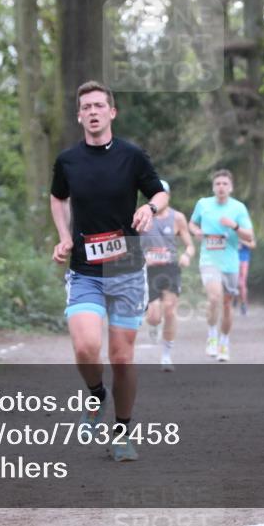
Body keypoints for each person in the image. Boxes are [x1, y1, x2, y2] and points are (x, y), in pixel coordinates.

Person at [50, 81, 167, 462]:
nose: (94, 111)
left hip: (127, 265)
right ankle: (97, 395)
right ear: (79, 115)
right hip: (85, 267)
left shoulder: (132, 156)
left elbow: (160, 193)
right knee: (85, 347)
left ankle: (121, 432)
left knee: (122, 357)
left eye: (100, 105)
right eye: (87, 106)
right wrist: (64, 236)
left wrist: (150, 208)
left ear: (112, 112)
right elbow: (57, 196)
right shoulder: (68, 161)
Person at [189, 169, 254, 362]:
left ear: (231, 187)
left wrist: (234, 226)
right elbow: (192, 224)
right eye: (218, 184)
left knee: (226, 305)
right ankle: (211, 334)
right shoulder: (203, 204)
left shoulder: (238, 208)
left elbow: (249, 236)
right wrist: (197, 231)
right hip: (209, 261)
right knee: (214, 297)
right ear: (213, 187)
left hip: (231, 263)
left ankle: (224, 342)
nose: (221, 187)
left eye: (225, 184)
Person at [141, 179, 195, 372]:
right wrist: (143, 258)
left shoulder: (177, 217)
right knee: (154, 316)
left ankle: (166, 355)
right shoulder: (142, 216)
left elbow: (189, 244)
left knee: (170, 311)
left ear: (168, 196)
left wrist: (187, 255)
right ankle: (153, 325)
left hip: (171, 268)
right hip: (150, 271)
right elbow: (131, 246)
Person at [237, 238, 255, 316]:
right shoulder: (228, 229)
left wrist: (241, 241)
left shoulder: (246, 229)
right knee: (233, 283)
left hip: (243, 259)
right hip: (230, 260)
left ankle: (243, 304)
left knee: (242, 283)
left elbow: (253, 245)